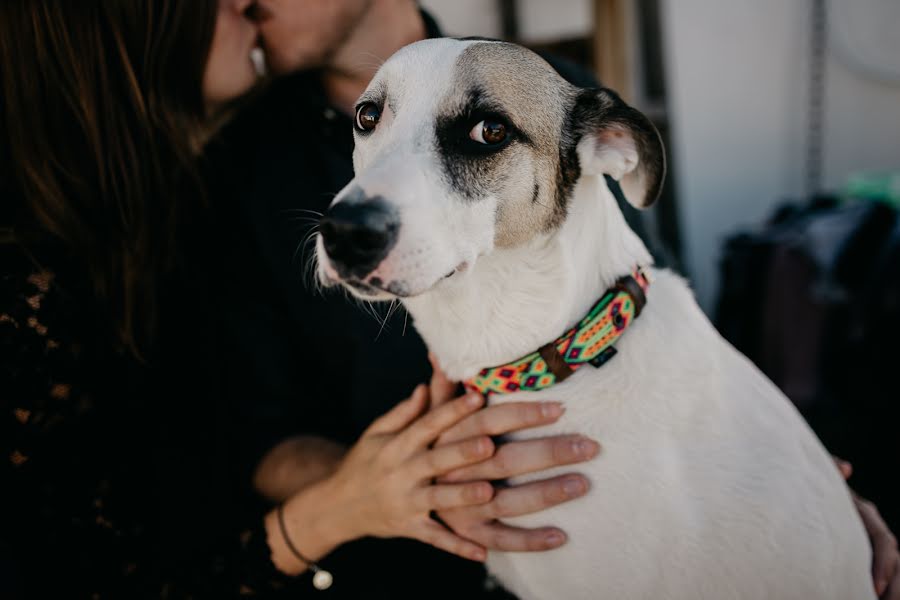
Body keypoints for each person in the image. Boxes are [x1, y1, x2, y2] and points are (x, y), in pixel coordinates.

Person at [208, 0, 900, 598]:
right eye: (372, 118)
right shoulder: (242, 168)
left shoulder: (559, 99)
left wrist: (809, 494)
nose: (358, 208)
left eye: (486, 134)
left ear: (611, 153)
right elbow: (244, 434)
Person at [1, 1, 576, 598]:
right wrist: (384, 492)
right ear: (137, 43)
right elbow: (236, 443)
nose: (240, 3)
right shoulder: (214, 187)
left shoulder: (551, 101)